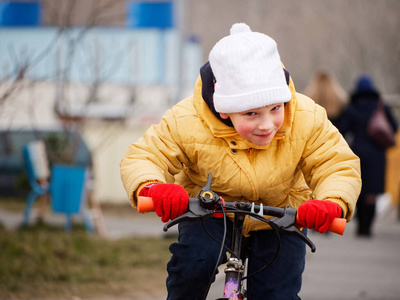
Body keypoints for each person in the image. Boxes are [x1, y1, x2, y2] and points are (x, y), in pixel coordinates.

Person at [120, 23, 361, 299]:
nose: (267, 124)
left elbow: (336, 163)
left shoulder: (307, 116)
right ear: (224, 110)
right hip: (208, 210)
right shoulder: (186, 119)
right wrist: (152, 187)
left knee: (278, 292)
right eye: (251, 114)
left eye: (275, 108)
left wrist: (331, 202)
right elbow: (145, 155)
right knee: (190, 272)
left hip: (281, 213)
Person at [337, 74, 398, 238]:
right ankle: (367, 228)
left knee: (358, 188)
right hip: (377, 154)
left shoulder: (352, 106)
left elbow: (342, 129)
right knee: (371, 192)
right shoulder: (380, 106)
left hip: (356, 152)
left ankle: (360, 226)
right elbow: (393, 126)